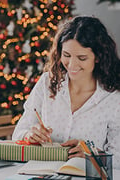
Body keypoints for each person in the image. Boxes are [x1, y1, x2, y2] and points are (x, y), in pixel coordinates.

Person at [12, 15, 120, 169]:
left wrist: (94, 156)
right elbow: (19, 132)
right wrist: (29, 135)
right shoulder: (47, 82)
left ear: (98, 57)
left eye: (82, 58)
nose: (72, 65)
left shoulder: (114, 98)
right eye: (67, 55)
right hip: (40, 172)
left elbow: (118, 160)